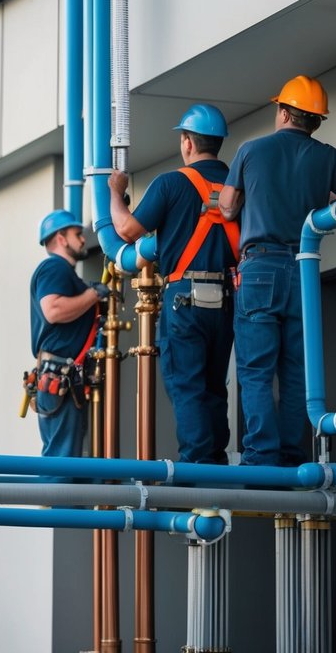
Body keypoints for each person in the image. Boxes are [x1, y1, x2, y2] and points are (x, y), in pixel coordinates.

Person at [218, 75, 336, 466]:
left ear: (283, 112)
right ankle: (289, 455)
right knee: (296, 369)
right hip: (304, 266)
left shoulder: (251, 151)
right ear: (315, 121)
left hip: (260, 267)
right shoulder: (330, 157)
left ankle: (261, 457)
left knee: (255, 370)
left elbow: (229, 207)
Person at [107, 104, 239, 464]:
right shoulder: (236, 185)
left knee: (187, 387)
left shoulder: (171, 183)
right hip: (227, 298)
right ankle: (214, 467)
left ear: (187, 142)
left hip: (185, 300)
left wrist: (116, 193)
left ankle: (198, 474)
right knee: (214, 388)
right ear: (219, 144)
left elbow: (127, 231)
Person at [29, 210, 109, 458]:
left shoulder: (63, 272)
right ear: (61, 238)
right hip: (61, 377)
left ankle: (67, 498)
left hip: (66, 378)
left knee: (71, 464)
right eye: (77, 234)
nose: (83, 239)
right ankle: (59, 497)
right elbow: (53, 310)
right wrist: (93, 295)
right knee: (61, 463)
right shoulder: (54, 267)